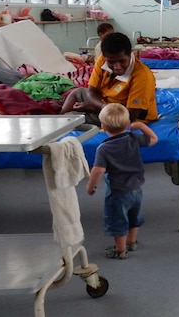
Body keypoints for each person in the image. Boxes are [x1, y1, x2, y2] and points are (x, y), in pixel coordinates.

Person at [86, 103, 159, 260]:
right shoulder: (133, 138)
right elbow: (154, 139)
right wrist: (140, 125)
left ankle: (120, 250)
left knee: (118, 221)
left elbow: (98, 170)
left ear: (103, 127)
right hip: (137, 188)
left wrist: (91, 186)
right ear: (127, 124)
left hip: (118, 192)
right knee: (134, 216)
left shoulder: (103, 149)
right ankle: (131, 242)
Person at [61, 32, 158, 125]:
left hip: (125, 115)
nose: (117, 66)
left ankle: (62, 126)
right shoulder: (103, 60)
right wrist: (102, 106)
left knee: (71, 117)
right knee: (77, 92)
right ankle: (59, 118)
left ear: (130, 54)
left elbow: (130, 117)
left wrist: (95, 108)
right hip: (105, 104)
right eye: (111, 62)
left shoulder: (142, 76)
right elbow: (91, 91)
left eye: (122, 61)